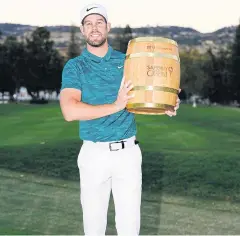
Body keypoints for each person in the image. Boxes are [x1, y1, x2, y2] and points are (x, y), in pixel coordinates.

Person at [59, 3, 180, 236]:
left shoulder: (129, 61)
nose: (94, 28)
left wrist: (166, 102)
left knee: (129, 228)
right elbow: (70, 111)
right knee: (93, 229)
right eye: (88, 24)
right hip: (94, 155)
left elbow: (148, 93)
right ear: (82, 31)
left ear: (108, 27)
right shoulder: (75, 67)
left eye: (99, 22)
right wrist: (116, 105)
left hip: (128, 154)